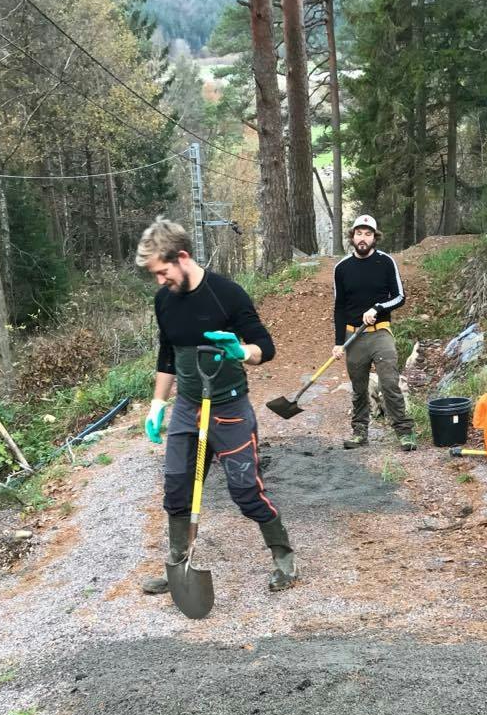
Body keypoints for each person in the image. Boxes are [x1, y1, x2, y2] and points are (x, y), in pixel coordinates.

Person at [135, 217, 297, 595]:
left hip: (229, 408)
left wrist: (242, 351)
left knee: (245, 490)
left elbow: (265, 347)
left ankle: (284, 558)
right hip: (187, 408)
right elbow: (167, 354)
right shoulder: (164, 301)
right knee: (177, 489)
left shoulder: (227, 293)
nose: (160, 282)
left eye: (162, 272)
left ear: (183, 257)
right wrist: (158, 404)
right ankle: (179, 566)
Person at [332, 214, 417, 451]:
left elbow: (400, 297)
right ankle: (360, 433)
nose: (363, 238)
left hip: (380, 333)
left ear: (374, 237)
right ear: (352, 237)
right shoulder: (342, 268)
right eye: (359, 233)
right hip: (353, 337)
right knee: (359, 389)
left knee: (389, 383)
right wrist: (339, 342)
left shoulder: (386, 262)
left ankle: (405, 432)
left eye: (368, 234)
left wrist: (378, 308)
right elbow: (339, 308)